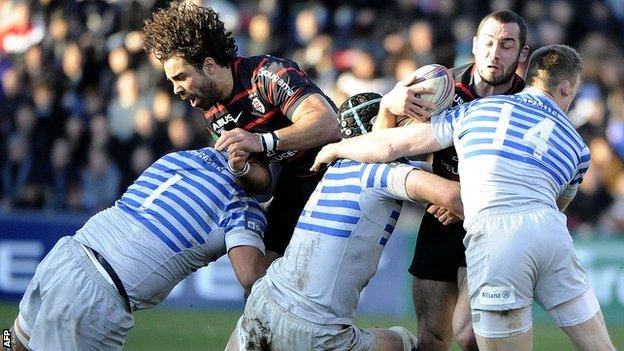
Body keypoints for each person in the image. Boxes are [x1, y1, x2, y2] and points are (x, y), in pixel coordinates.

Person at [312, 45, 616, 351]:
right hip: (553, 235)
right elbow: (557, 206)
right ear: (565, 87)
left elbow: (391, 146)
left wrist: (336, 149)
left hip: (499, 238)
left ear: (533, 76)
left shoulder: (480, 109)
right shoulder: (579, 147)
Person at [227, 93, 463, 350]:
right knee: (408, 343)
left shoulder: (337, 166)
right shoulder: (382, 172)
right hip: (316, 328)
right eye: (402, 122)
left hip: (264, 301)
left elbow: (428, 174)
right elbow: (453, 195)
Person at [10, 147, 270, 351]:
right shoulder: (241, 206)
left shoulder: (182, 158)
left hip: (67, 254)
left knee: (13, 339)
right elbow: (251, 278)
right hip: (96, 297)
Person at [373, 10, 528, 351]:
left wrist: (464, 201)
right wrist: (389, 109)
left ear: (522, 54)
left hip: (493, 224)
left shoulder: (527, 104)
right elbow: (387, 149)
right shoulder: (440, 88)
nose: (494, 52)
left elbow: (529, 178)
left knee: (473, 336)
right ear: (473, 45)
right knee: (432, 337)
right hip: (440, 219)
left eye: (506, 44)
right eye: (488, 42)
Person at [142, 2, 341, 263]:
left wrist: (260, 141)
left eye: (181, 77)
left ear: (210, 65)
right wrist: (242, 168)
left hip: (338, 170)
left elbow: (328, 124)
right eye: (171, 82)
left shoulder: (266, 74)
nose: (176, 90)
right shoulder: (213, 113)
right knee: (262, 276)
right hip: (295, 179)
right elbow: (264, 183)